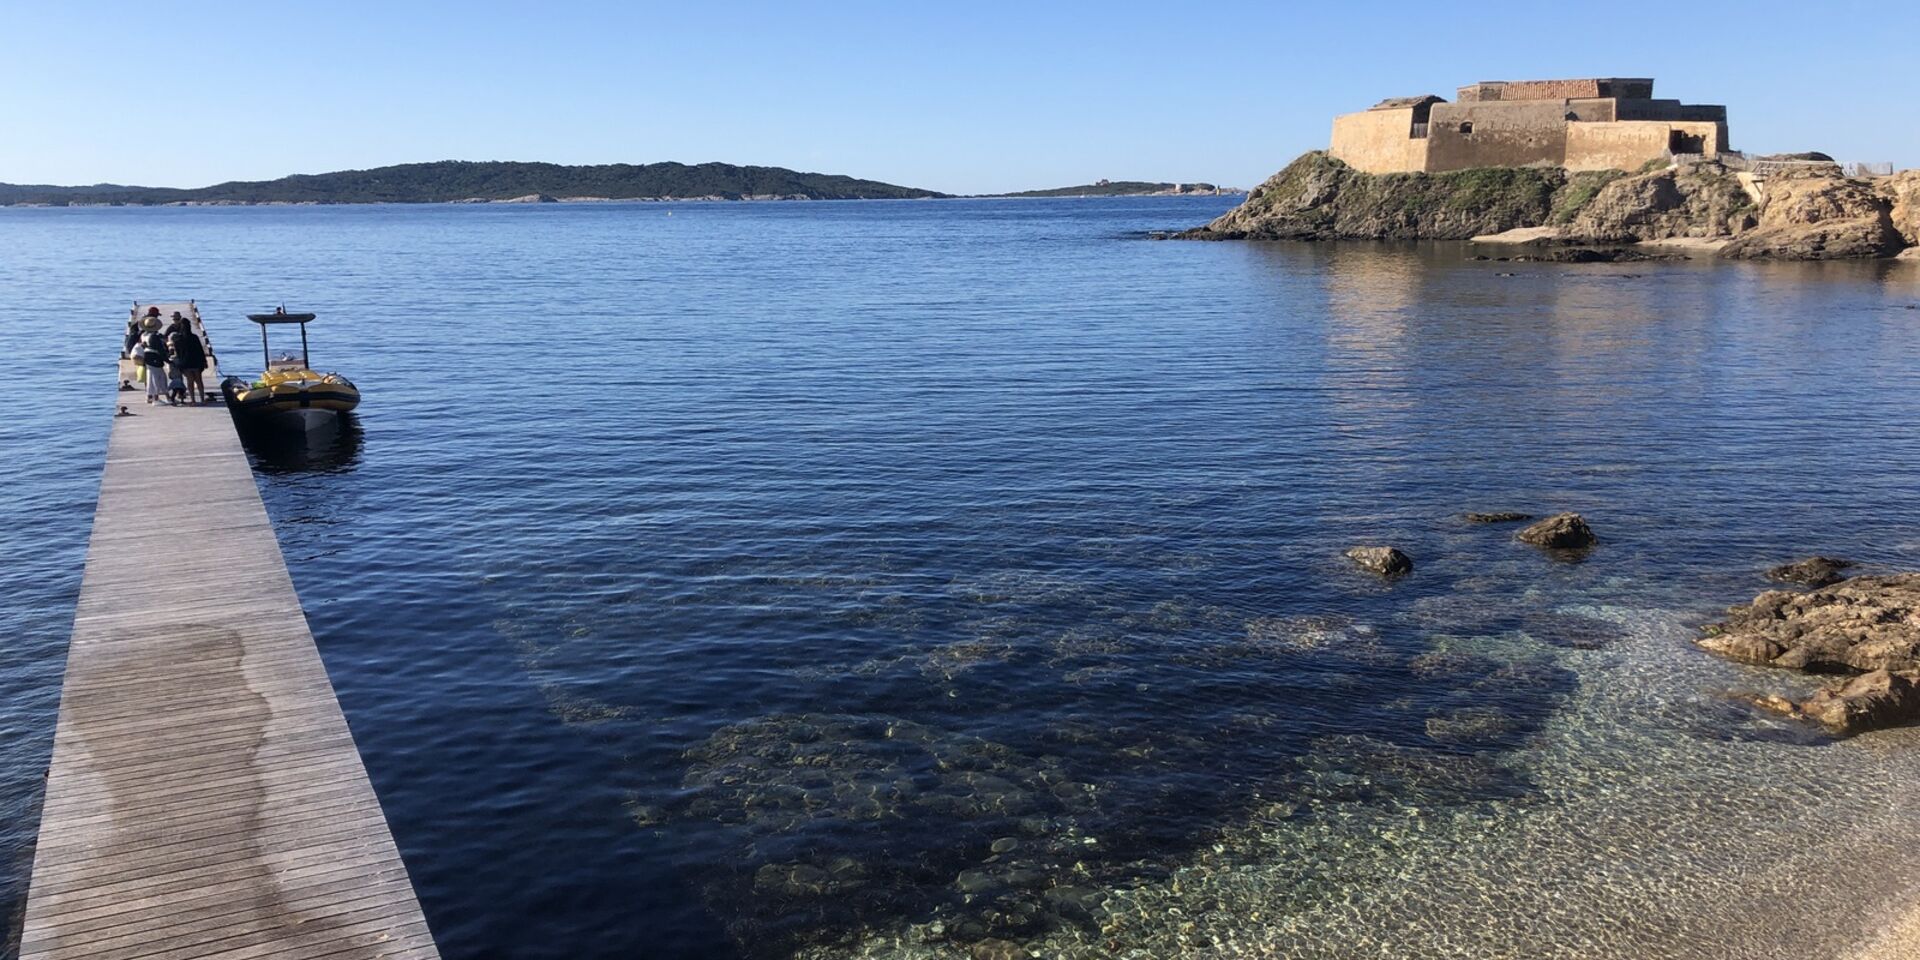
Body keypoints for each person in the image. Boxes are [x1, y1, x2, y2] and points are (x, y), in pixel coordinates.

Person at [169, 316, 210, 404]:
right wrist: (204, 361)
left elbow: (177, 352)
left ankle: (193, 400)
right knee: (199, 380)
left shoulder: (178, 338)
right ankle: (202, 399)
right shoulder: (194, 337)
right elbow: (200, 350)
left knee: (190, 381)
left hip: (185, 362)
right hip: (196, 361)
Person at [139, 320, 169, 405]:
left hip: (147, 357)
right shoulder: (154, 336)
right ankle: (156, 398)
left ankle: (150, 396)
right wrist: (167, 360)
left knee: (150, 377)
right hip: (155, 357)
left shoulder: (143, 335)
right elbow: (160, 349)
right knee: (159, 377)